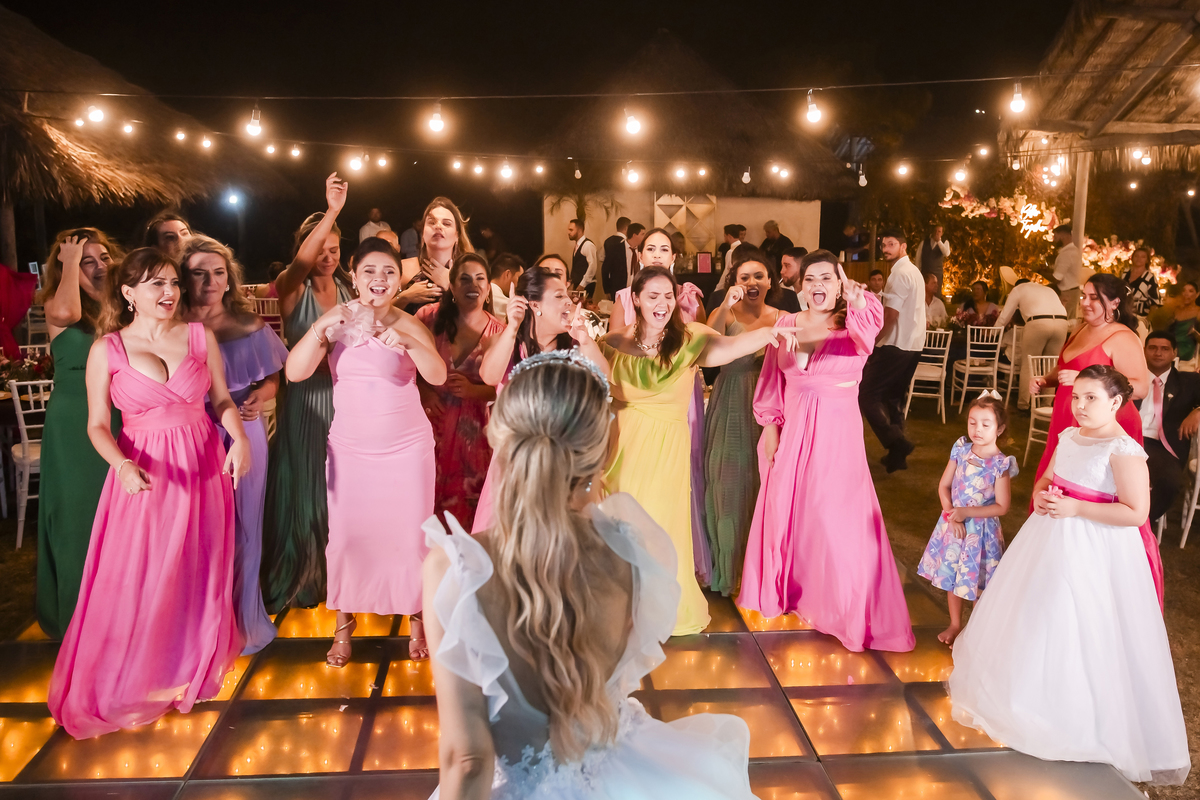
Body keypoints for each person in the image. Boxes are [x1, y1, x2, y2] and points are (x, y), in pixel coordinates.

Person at [421, 352, 756, 799]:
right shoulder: (633, 554)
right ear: (605, 452)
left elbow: (468, 760)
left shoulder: (456, 570)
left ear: (496, 431)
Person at [950, 366, 1189, 786]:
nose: (1079, 405)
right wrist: (1042, 495)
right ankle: (1027, 697)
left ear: (1116, 402)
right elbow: (1048, 478)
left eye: (1091, 398)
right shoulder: (1067, 437)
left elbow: (1135, 512)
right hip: (1049, 537)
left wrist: (1077, 508)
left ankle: (1078, 717)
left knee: (1079, 622)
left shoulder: (1125, 449)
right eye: (1076, 397)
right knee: (1038, 614)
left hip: (1097, 546)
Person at [49, 247, 251, 739]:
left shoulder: (200, 337)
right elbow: (97, 425)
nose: (168, 293)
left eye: (173, 283)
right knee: (138, 571)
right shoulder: (108, 349)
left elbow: (221, 399)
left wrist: (239, 437)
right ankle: (131, 671)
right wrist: (120, 464)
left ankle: (183, 665)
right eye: (156, 284)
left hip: (203, 464)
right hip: (145, 470)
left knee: (195, 566)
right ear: (128, 293)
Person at [601, 266, 798, 637]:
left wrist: (766, 335)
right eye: (653, 296)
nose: (662, 303)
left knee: (659, 524)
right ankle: (621, 605)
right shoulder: (614, 343)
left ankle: (657, 609)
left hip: (665, 450)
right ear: (637, 299)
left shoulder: (689, 338)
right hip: (622, 449)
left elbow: (728, 348)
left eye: (668, 295)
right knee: (621, 527)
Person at [738, 251, 914, 653]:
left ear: (838, 284)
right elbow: (772, 381)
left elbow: (870, 332)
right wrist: (769, 429)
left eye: (827, 279)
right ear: (801, 285)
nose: (818, 285)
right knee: (794, 509)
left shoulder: (853, 322)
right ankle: (801, 595)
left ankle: (844, 608)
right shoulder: (785, 324)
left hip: (837, 435)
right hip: (795, 429)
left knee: (838, 519)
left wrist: (857, 300)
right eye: (811, 278)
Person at [287, 237, 446, 666]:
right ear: (353, 276)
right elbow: (295, 372)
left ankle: (416, 618)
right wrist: (321, 329)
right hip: (351, 449)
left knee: (412, 538)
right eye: (370, 271)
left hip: (406, 448)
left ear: (399, 280)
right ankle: (344, 623)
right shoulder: (335, 320)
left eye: (389, 272)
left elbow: (438, 374)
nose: (379, 279)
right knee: (346, 537)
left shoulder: (408, 322)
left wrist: (408, 343)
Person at [181, 235, 288, 655]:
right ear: (183, 278)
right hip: (192, 434)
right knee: (197, 529)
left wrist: (261, 398)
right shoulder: (172, 329)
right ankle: (200, 625)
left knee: (244, 526)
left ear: (230, 279)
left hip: (244, 432)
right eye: (199, 272)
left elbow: (273, 380)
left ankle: (242, 622)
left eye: (219, 272)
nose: (210, 280)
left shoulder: (250, 326)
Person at [1029, 273, 1160, 606]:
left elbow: (1140, 387)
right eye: (1084, 295)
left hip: (1105, 427)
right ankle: (1049, 567)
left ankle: (1099, 582)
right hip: (1069, 422)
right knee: (1053, 482)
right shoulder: (1081, 329)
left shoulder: (1123, 337)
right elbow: (1066, 370)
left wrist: (1086, 383)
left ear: (1114, 303)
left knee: (1098, 493)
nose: (1085, 302)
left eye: (1094, 298)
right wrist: (1046, 381)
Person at [262, 173, 355, 612]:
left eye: (336, 249)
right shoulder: (291, 284)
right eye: (322, 248)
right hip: (303, 400)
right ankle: (303, 574)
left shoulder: (345, 289)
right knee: (305, 482)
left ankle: (340, 574)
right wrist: (333, 209)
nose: (328, 257)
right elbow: (300, 263)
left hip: (343, 400)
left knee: (337, 485)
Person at [473, 263, 608, 533]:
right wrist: (512, 327)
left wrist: (584, 339)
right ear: (534, 305)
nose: (569, 302)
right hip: (514, 463)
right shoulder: (508, 342)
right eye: (559, 296)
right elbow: (489, 376)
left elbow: (604, 379)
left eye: (568, 296)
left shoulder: (574, 349)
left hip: (561, 465)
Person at [35, 229, 123, 639]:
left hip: (118, 413)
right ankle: (78, 617)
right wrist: (70, 262)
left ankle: (118, 611)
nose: (100, 266)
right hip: (74, 420)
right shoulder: (58, 302)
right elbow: (67, 314)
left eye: (103, 257)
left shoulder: (120, 305)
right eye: (89, 260)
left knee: (119, 516)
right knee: (77, 515)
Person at [611, 229, 710, 585]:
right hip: (636, 396)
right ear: (640, 256)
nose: (656, 253)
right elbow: (615, 354)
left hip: (679, 393)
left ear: (673, 257)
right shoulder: (624, 298)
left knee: (683, 474)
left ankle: (686, 559)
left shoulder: (683, 297)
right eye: (650, 248)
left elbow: (703, 344)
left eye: (663, 248)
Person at [703, 252, 780, 596]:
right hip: (733, 399)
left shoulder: (782, 317)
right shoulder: (726, 312)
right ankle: (728, 568)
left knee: (765, 484)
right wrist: (723, 304)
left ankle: (761, 572)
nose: (752, 283)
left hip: (771, 404)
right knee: (729, 482)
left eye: (759, 276)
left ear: (770, 281)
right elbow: (708, 347)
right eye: (744, 277)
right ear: (735, 281)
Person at [917, 394, 1015, 646]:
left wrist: (966, 514)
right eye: (972, 422)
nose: (977, 429)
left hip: (980, 533)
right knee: (954, 577)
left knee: (978, 582)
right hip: (953, 526)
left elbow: (1002, 507)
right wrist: (951, 515)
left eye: (985, 424)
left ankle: (977, 629)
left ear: (999, 428)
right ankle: (955, 624)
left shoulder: (1000, 464)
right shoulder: (960, 448)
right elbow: (944, 485)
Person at [416, 253, 505, 531]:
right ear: (452, 286)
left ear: (488, 289)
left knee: (469, 510)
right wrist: (424, 392)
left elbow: (503, 389)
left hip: (475, 436)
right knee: (424, 502)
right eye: (464, 279)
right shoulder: (427, 318)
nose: (473, 285)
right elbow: (405, 369)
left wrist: (473, 391)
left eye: (480, 279)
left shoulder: (499, 332)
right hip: (430, 425)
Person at [859, 229, 926, 472]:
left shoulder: (899, 274)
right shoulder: (914, 272)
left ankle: (897, 443)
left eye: (891, 244)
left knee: (866, 394)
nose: (886, 248)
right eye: (884, 244)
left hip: (896, 344)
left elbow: (891, 316)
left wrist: (872, 342)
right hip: (913, 345)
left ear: (903, 246)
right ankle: (897, 456)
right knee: (893, 399)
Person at [1136, 332, 1200, 521]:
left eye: (1164, 349)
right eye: (1153, 348)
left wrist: (1198, 410)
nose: (1158, 353)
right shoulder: (1129, 379)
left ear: (1174, 353)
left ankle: (1140, 525)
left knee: (1170, 484)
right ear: (1144, 351)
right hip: (1126, 439)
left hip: (1162, 446)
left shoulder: (1189, 382)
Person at [994, 278, 1068, 410]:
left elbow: (1004, 316)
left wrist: (993, 333)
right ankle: (1046, 405)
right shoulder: (1047, 289)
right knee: (1050, 364)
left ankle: (1024, 404)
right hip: (1062, 322)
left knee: (1028, 364)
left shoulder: (1018, 289)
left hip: (1038, 323)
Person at [402, 198, 475, 314]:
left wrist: (450, 285)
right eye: (431, 222)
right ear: (423, 234)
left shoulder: (472, 275)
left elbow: (482, 320)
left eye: (446, 223)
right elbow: (376, 318)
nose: (438, 226)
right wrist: (404, 297)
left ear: (457, 235)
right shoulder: (406, 270)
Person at [1051, 224, 1084, 319]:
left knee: (1063, 322)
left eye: (1055, 236)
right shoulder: (1074, 251)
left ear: (1063, 236)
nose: (1054, 240)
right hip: (1072, 291)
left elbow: (1057, 278)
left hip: (1067, 293)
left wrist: (1039, 271)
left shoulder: (1067, 254)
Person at [1123, 246, 1160, 326]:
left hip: (1140, 318)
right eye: (1136, 256)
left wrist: (1146, 322)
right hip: (1124, 316)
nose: (1139, 259)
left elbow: (1154, 304)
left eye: (1142, 257)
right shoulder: (1125, 273)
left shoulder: (1150, 278)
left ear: (1147, 260)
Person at [1168, 281, 1200, 365]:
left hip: (1187, 349)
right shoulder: (1176, 310)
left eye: (1190, 291)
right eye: (1184, 291)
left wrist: (1195, 333)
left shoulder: (1198, 312)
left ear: (1197, 294)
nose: (1186, 294)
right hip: (1172, 346)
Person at [487, 253, 524, 323]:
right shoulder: (508, 305)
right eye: (519, 278)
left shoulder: (482, 292)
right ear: (507, 274)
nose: (519, 285)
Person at [601, 216, 632, 297]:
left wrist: (606, 289)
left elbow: (602, 260)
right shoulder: (626, 244)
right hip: (624, 284)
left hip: (612, 284)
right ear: (626, 228)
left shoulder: (607, 241)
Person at [567, 218, 598, 296]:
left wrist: (582, 284)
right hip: (578, 284)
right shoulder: (578, 245)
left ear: (579, 230)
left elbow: (592, 266)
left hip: (586, 285)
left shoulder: (588, 245)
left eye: (571, 230)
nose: (568, 232)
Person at [776, 246, 809, 313]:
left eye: (787, 266)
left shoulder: (811, 294)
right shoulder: (779, 291)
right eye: (782, 266)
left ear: (802, 266)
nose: (782, 271)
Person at [717, 224, 743, 289]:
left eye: (724, 236)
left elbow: (727, 272)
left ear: (729, 236)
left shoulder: (731, 252)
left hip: (733, 285)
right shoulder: (745, 248)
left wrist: (718, 289)